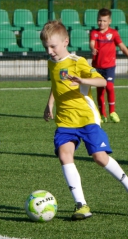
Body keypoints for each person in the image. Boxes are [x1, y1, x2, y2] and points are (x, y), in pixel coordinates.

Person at [40, 20, 128, 220]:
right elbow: (56, 85)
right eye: (46, 47)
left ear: (65, 42)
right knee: (64, 154)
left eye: (53, 46)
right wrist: (50, 104)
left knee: (100, 158)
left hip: (86, 118)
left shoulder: (77, 62)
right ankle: (81, 205)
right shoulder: (51, 63)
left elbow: (102, 81)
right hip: (64, 121)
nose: (50, 51)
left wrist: (82, 80)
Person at [90, 8, 128, 123]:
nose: (102, 23)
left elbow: (121, 46)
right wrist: (93, 48)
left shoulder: (114, 33)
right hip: (97, 67)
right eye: (100, 20)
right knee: (100, 91)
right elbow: (92, 42)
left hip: (110, 66)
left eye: (104, 21)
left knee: (110, 87)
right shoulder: (94, 33)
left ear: (109, 21)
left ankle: (112, 112)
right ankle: (103, 115)